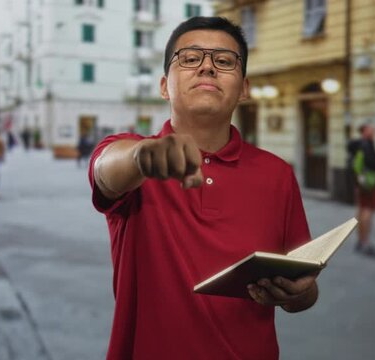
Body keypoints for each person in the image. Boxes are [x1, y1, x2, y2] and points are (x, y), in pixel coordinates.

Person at [89, 16, 317, 359]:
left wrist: (298, 292)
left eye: (224, 61)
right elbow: (106, 170)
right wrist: (142, 157)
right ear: (165, 86)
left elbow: (305, 290)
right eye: (191, 58)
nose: (207, 67)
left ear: (243, 89)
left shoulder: (278, 174)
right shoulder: (132, 156)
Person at [347, 122, 375, 256]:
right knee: (367, 210)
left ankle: (360, 241)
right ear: (365, 130)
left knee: (361, 209)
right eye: (371, 128)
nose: (374, 129)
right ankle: (365, 242)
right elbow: (372, 163)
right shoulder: (366, 144)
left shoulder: (358, 144)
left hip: (360, 182)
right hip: (369, 182)